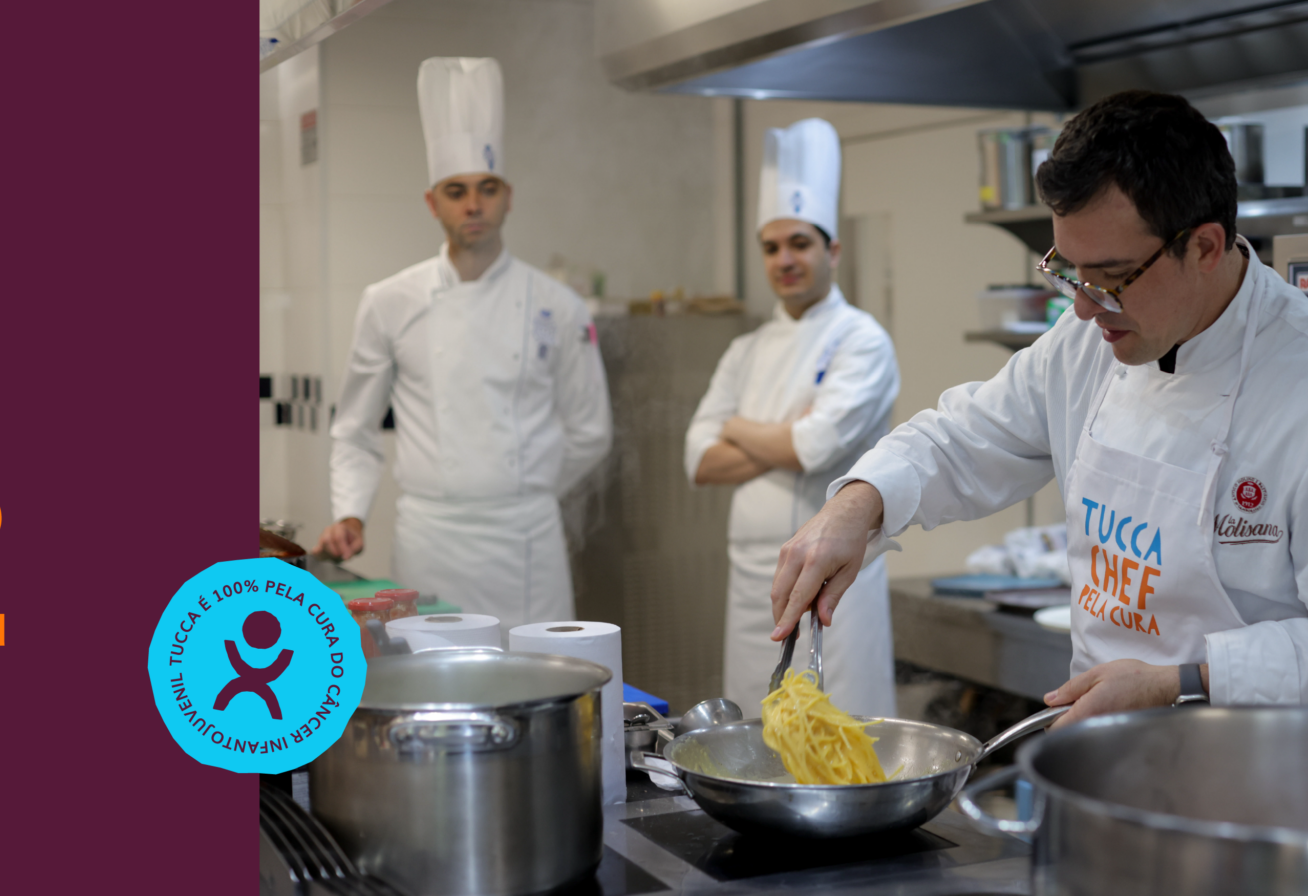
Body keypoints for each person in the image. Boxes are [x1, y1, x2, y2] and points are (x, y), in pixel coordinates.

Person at [768, 90, 1308, 725]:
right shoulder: (1085, 342)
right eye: (1069, 270)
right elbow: (966, 438)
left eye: (1113, 278)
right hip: (1101, 760)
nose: (1086, 308)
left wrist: (1179, 681)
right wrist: (858, 503)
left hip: (1259, 782)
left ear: (1205, 247)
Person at [315, 57, 613, 629]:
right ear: (433, 202)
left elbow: (590, 431)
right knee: (431, 671)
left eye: (487, 189)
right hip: (431, 539)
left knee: (536, 671)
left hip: (527, 543)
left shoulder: (558, 305)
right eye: (456, 191)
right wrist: (351, 512)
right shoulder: (389, 300)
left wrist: (521, 489)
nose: (473, 205)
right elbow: (353, 430)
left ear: (508, 197)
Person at [684, 118, 901, 717]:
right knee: (754, 736)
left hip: (838, 584)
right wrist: (781, 436)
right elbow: (698, 460)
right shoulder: (746, 349)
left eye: (800, 244)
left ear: (833, 250)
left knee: (841, 738)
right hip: (751, 581)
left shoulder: (862, 340)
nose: (785, 259)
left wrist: (736, 426)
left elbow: (813, 446)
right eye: (772, 247)